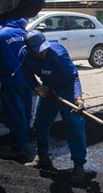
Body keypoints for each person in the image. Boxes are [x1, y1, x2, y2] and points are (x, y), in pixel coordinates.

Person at [22, 30, 86, 184]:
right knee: (40, 123)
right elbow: (26, 74)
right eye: (38, 51)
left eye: (43, 49)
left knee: (74, 125)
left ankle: (78, 165)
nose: (42, 53)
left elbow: (73, 76)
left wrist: (78, 97)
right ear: (29, 49)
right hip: (48, 90)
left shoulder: (58, 54)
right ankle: (42, 156)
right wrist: (36, 87)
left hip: (67, 90)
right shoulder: (23, 54)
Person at [0, 18, 32, 160]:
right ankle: (23, 139)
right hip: (29, 79)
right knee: (25, 111)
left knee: (16, 113)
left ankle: (19, 148)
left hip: (11, 80)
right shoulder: (25, 34)